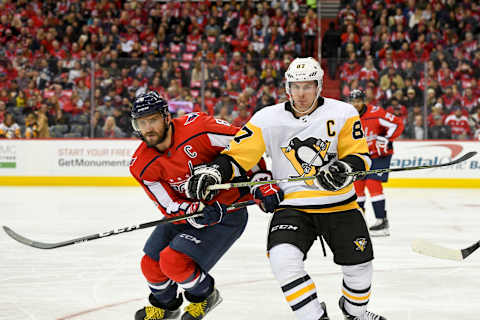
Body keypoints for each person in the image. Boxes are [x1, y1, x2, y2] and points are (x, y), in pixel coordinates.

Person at [186, 58, 386, 320]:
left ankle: (354, 312)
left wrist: (342, 170)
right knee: (282, 259)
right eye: (295, 86)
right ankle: (315, 316)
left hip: (341, 204)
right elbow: (238, 156)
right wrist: (216, 171)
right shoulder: (266, 118)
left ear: (319, 86)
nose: (301, 93)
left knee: (360, 269)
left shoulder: (344, 113)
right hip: (293, 206)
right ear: (287, 87)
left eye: (308, 86)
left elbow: (361, 157)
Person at [129, 91, 265, 320]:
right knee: (150, 264)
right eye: (142, 123)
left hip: (226, 215)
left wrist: (260, 180)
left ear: (165, 117)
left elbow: (247, 144)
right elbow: (169, 205)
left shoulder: (199, 128)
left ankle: (205, 296)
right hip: (188, 215)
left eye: (152, 120)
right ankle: (166, 306)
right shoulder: (141, 164)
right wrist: (192, 213)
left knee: (173, 261)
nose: (148, 128)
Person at [349, 90, 404, 237]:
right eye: (353, 101)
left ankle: (382, 222)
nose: (356, 104)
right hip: (360, 156)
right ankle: (359, 222)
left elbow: (397, 123)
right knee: (357, 189)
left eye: (359, 101)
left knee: (373, 184)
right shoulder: (346, 116)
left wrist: (387, 138)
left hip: (379, 155)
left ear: (364, 101)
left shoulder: (376, 112)